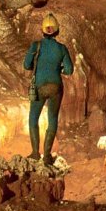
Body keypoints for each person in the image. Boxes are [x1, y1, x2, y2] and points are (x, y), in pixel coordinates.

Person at [24, 13, 74, 164]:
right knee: (52, 119)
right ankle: (46, 155)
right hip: (55, 87)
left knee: (33, 118)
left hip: (39, 87)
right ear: (57, 31)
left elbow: (26, 65)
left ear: (43, 31)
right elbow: (69, 70)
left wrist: (37, 67)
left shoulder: (35, 46)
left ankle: (34, 153)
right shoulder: (61, 48)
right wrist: (58, 70)